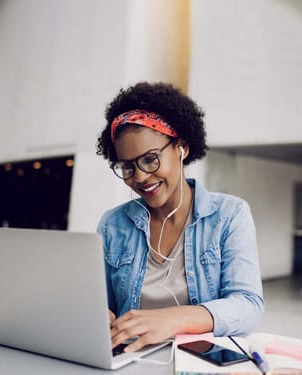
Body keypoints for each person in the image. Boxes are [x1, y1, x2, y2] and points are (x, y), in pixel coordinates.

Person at [96, 82, 264, 353]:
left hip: (197, 361)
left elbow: (248, 305)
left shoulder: (229, 215)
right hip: (128, 361)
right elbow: (103, 304)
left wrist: (173, 319)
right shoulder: (113, 224)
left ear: (182, 148)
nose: (139, 177)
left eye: (150, 159)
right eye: (127, 167)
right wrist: (98, 314)